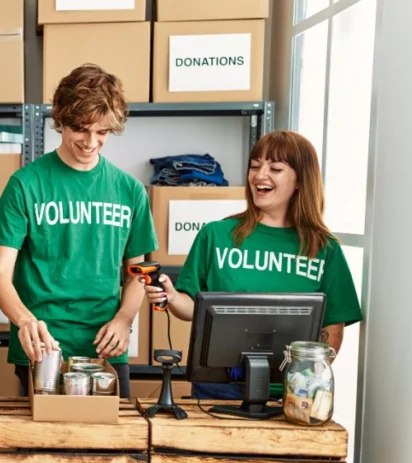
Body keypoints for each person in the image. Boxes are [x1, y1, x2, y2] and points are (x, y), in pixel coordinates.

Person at [142, 130, 363, 400]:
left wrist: (307, 383)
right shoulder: (215, 235)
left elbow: (332, 329)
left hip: (289, 394)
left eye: (276, 168)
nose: (260, 176)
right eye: (255, 166)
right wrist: (172, 296)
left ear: (300, 181)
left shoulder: (325, 249)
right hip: (217, 388)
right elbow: (192, 308)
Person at [0, 64, 158, 399]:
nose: (91, 142)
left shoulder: (130, 191)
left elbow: (139, 273)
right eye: (81, 129)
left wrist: (124, 319)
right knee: (44, 446)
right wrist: (24, 321)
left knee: (112, 447)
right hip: (43, 346)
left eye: (102, 132)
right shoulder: (25, 185)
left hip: (106, 346)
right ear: (60, 119)